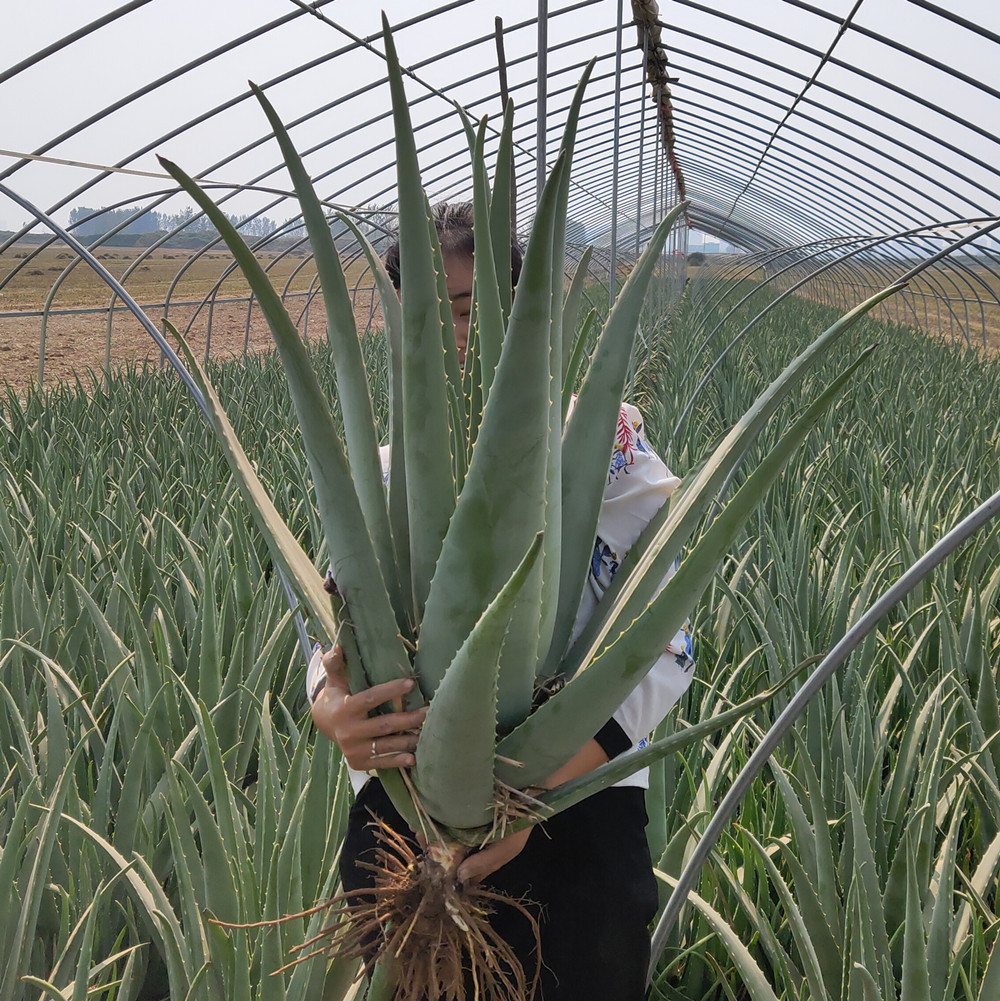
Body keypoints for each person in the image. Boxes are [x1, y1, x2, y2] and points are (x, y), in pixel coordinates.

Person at [309, 202, 695, 1000]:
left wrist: (523, 800)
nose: (456, 335)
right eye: (430, 315)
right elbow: (332, 631)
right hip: (405, 818)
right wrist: (330, 707)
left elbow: (667, 647)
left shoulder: (602, 445)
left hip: (575, 805)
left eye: (473, 312)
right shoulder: (383, 475)